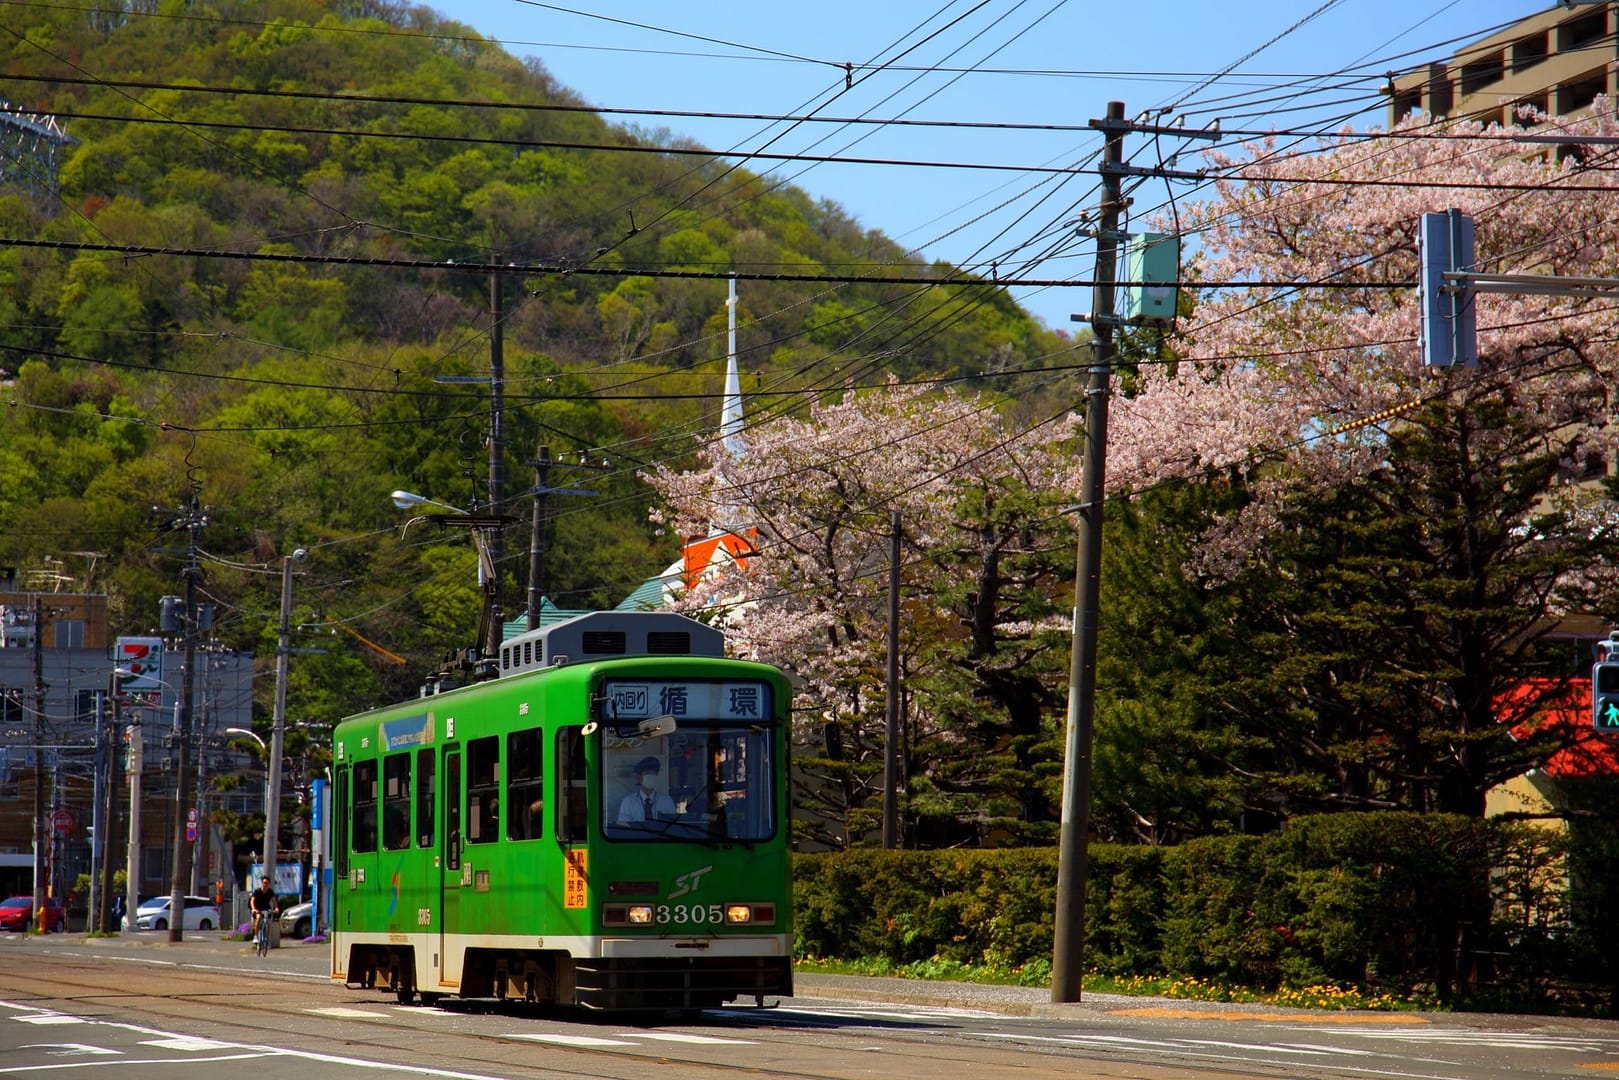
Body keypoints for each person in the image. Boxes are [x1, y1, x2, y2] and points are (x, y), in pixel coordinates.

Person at [616, 756, 677, 825]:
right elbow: (624, 829)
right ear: (638, 777)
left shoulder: (667, 801)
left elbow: (672, 827)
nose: (651, 776)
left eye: (654, 773)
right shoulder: (628, 802)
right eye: (647, 773)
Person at [249, 875, 279, 942]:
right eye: (264, 882)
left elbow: (274, 901)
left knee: (268, 922)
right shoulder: (257, 891)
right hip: (257, 908)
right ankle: (256, 936)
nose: (265, 884)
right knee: (259, 917)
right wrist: (253, 909)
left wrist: (276, 908)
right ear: (262, 883)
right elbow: (252, 900)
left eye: (267, 883)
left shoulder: (270, 891)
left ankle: (266, 939)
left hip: (266, 908)